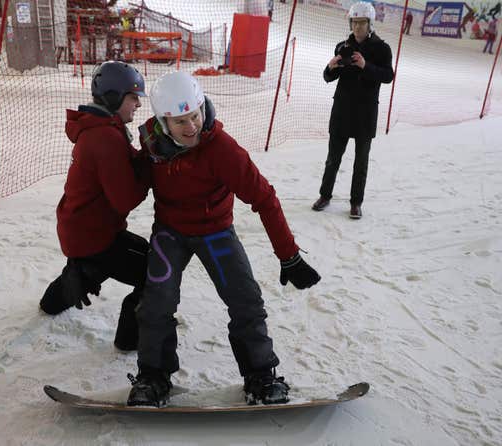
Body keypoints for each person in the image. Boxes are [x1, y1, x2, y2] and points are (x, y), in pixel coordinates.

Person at [125, 71, 321, 407]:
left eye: (195, 115)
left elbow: (264, 197)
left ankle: (260, 374)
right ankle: (153, 376)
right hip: (170, 233)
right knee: (158, 300)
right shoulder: (152, 147)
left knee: (245, 298)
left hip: (215, 231)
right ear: (162, 122)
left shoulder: (222, 149)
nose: (191, 127)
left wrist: (288, 255)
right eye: (180, 121)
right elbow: (128, 188)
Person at [39, 61, 150, 352]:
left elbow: (121, 169)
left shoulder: (101, 127)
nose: (138, 103)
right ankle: (131, 340)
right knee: (156, 271)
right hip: (94, 236)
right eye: (132, 96)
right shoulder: (105, 137)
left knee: (99, 265)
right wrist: (150, 168)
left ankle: (72, 281)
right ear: (114, 97)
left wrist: (144, 156)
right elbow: (125, 198)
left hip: (82, 228)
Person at [312, 1, 394, 219]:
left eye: (362, 23)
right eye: (355, 22)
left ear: (370, 23)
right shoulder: (343, 46)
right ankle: (325, 196)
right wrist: (330, 68)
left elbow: (388, 76)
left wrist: (366, 66)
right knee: (333, 159)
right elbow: (329, 77)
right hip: (341, 111)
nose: (358, 27)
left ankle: (356, 203)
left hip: (365, 115)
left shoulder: (382, 48)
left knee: (361, 162)